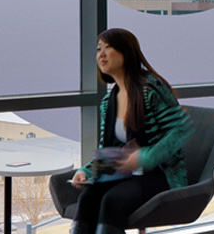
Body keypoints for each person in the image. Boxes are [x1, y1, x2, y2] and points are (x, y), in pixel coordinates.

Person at [70, 28, 194, 234]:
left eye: (108, 48)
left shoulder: (153, 88)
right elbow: (108, 151)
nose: (101, 54)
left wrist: (144, 157)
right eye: (98, 49)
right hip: (124, 175)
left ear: (126, 53)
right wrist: (86, 171)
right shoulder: (108, 102)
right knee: (88, 197)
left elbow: (179, 132)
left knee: (112, 200)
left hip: (160, 174)